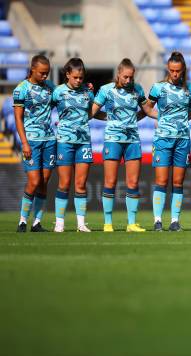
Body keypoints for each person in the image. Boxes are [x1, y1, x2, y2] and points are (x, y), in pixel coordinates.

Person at [91, 58, 157, 232]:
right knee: (110, 181)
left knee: (133, 182)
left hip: (133, 140)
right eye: (126, 77)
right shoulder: (106, 90)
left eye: (131, 77)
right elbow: (93, 111)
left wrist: (163, 117)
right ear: (118, 74)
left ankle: (132, 223)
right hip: (113, 139)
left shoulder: (137, 89)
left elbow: (147, 110)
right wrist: (102, 117)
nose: (129, 80)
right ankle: (107, 223)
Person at [52, 58, 105, 232]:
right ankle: (59, 223)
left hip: (83, 142)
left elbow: (90, 113)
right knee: (64, 183)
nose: (78, 81)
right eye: (75, 77)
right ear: (67, 74)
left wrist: (107, 116)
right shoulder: (58, 92)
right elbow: (44, 110)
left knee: (81, 184)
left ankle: (81, 224)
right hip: (65, 141)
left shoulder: (87, 92)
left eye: (81, 78)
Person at [145, 52, 191, 232]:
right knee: (161, 180)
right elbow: (148, 109)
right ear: (168, 69)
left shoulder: (189, 87)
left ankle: (175, 221)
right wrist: (164, 117)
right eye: (172, 70)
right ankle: (157, 220)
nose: (175, 74)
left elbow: (190, 112)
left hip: (182, 140)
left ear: (183, 70)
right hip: (163, 139)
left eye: (178, 71)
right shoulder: (158, 88)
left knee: (178, 182)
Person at [14, 54, 55, 233]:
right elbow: (18, 118)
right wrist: (24, 143)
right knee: (34, 180)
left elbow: (68, 94)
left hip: (49, 140)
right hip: (31, 140)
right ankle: (22, 220)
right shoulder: (21, 89)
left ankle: (36, 222)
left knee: (44, 181)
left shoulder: (50, 88)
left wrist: (86, 87)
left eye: (47, 73)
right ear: (32, 70)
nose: (45, 76)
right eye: (42, 73)